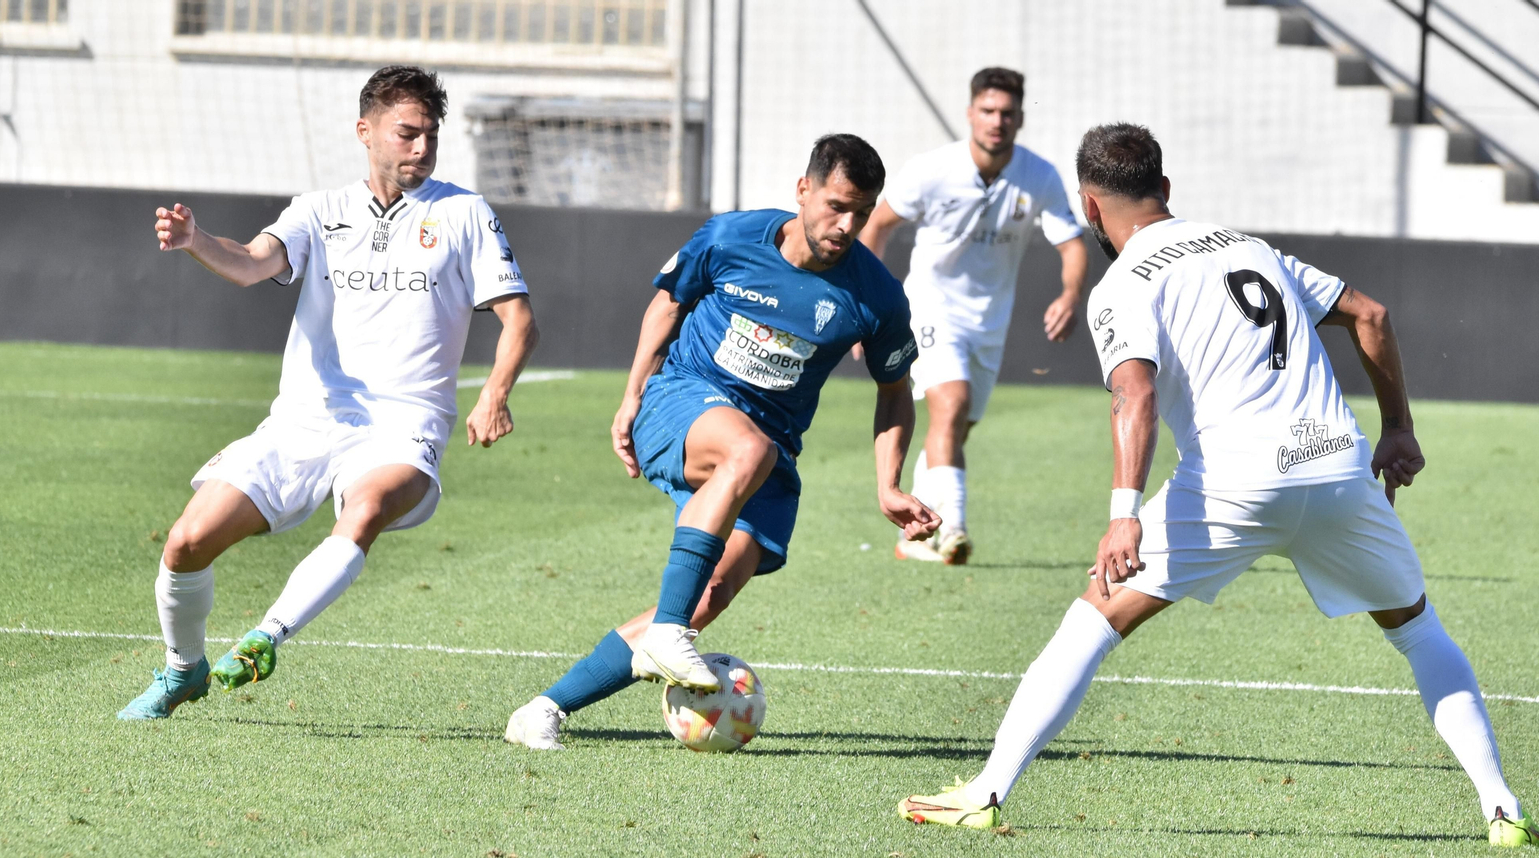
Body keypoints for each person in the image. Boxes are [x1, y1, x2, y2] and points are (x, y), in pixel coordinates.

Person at [899, 123, 1536, 847]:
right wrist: (1398, 427)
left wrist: (1122, 514)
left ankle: (985, 793)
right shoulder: (1247, 246)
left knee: (1096, 617)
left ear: (1088, 205)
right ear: (1165, 188)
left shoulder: (1124, 285)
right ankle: (1503, 808)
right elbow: (1372, 314)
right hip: (1335, 465)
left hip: (1234, 484)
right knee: (1419, 630)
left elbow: (1133, 397)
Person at [118, 65, 538, 720]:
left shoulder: (464, 213)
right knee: (185, 543)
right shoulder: (319, 210)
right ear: (365, 131)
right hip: (304, 422)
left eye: (430, 136)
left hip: (404, 428)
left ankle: (266, 636)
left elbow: (518, 319)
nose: (420, 148)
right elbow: (254, 262)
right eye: (407, 134)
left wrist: (494, 394)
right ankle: (182, 671)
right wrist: (197, 241)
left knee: (366, 507)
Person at [504, 134, 938, 750]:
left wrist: (888, 484)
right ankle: (669, 630)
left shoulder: (876, 295)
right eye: (837, 206)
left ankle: (544, 709)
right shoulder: (733, 237)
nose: (846, 225)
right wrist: (632, 396)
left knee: (705, 595)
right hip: (683, 398)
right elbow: (666, 304)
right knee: (744, 455)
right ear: (803, 190)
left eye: (862, 214)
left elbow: (894, 391)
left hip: (770, 449)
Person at [859, 67, 1088, 566]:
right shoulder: (933, 169)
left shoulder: (1039, 175)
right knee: (950, 404)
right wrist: (867, 302)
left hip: (990, 322)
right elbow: (878, 225)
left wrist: (1071, 294)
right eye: (988, 110)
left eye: (1007, 113)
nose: (997, 121)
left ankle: (914, 535)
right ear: (970, 114)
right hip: (930, 306)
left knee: (958, 426)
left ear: (1020, 118)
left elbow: (1072, 243)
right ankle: (954, 528)